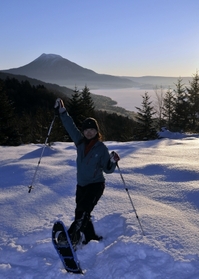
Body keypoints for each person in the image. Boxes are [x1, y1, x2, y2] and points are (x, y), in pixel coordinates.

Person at [54, 98, 120, 246]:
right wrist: (62, 111)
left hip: (96, 185)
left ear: (97, 131)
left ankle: (71, 237)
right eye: (86, 130)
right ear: (83, 131)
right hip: (81, 185)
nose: (89, 132)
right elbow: (70, 126)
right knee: (82, 211)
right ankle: (90, 237)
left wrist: (113, 162)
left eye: (92, 130)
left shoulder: (101, 148)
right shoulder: (80, 142)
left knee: (82, 212)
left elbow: (107, 169)